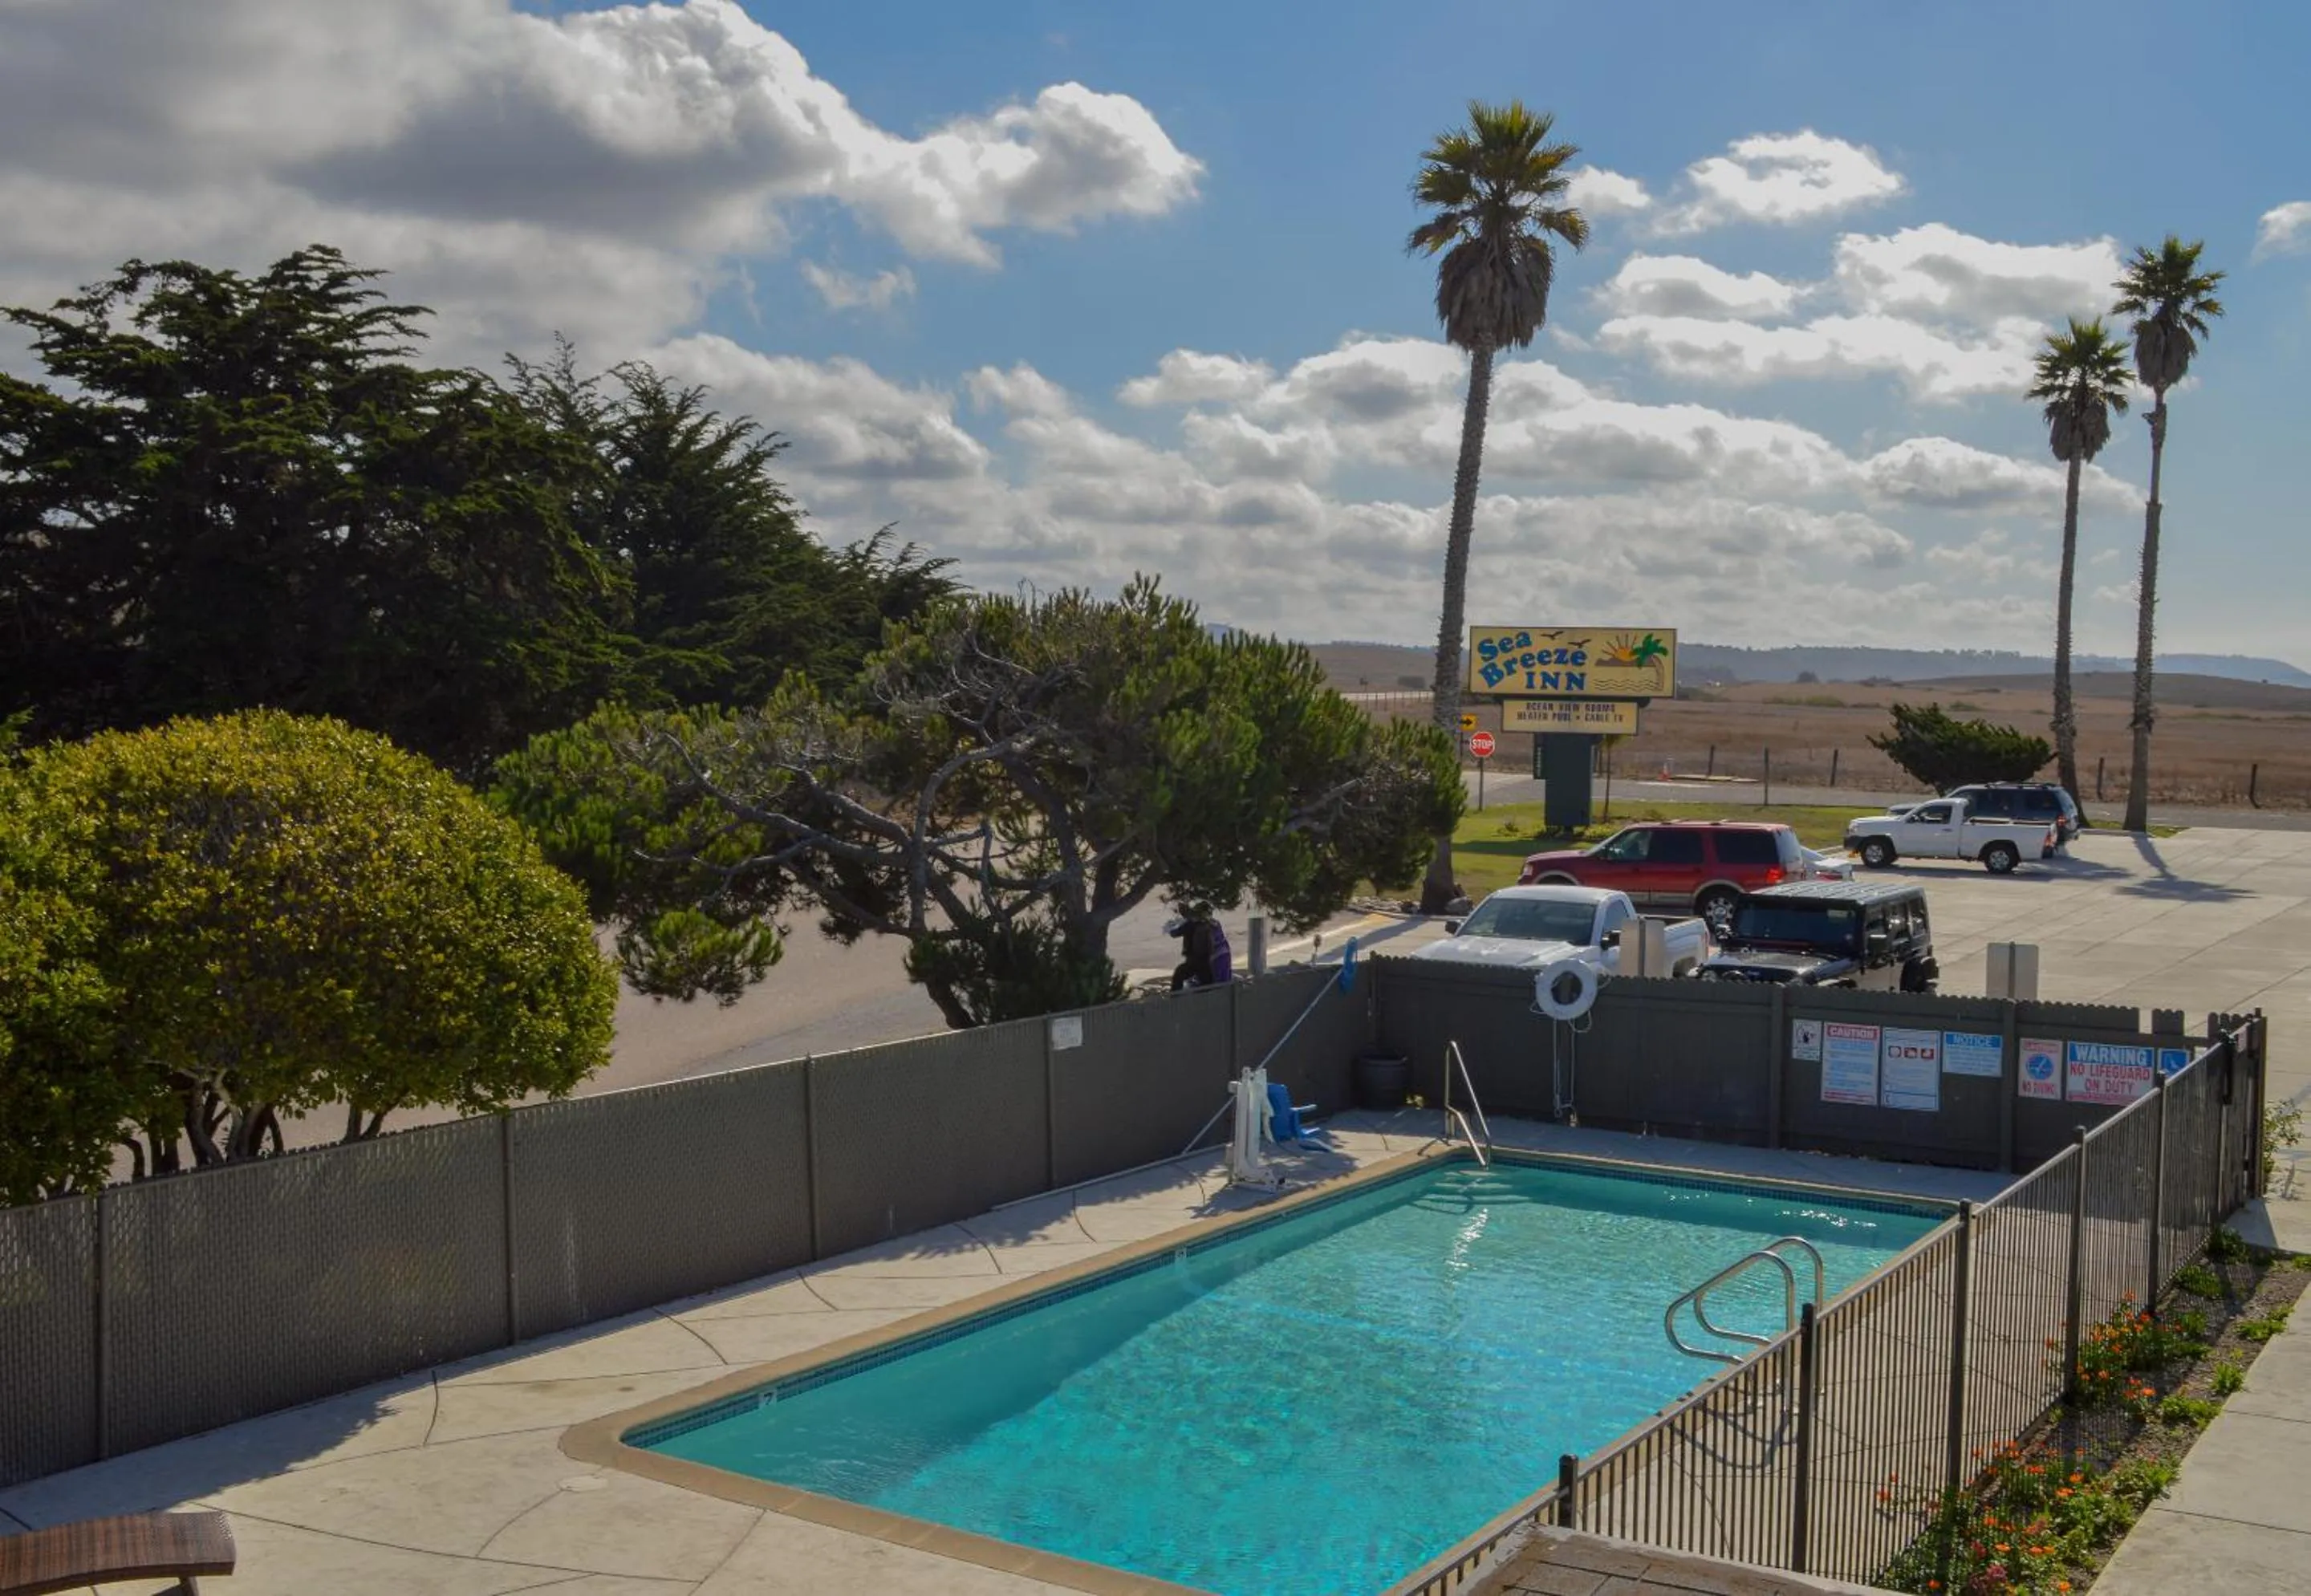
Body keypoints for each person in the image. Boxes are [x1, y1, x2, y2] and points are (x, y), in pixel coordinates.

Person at [1168, 906, 1232, 991]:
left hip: (1195, 960)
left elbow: (1174, 933)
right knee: (1207, 982)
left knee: (1179, 975)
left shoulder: (1191, 925)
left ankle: (1174, 1000)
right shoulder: (1212, 924)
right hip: (1206, 960)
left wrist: (1170, 926)